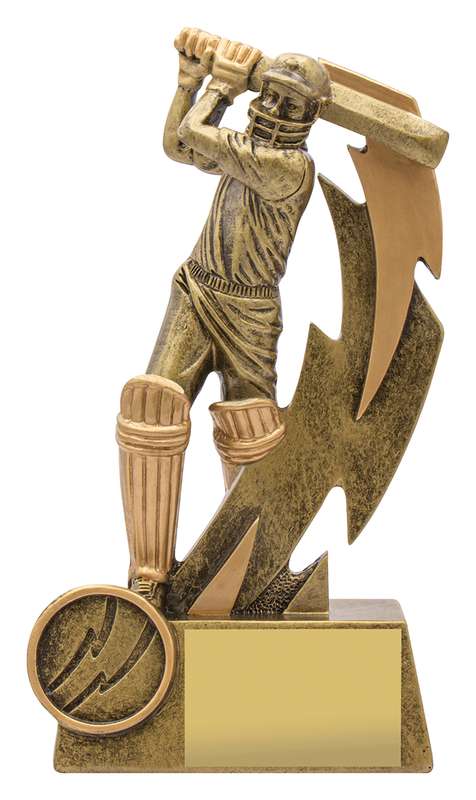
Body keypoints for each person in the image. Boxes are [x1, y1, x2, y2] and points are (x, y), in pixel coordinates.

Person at [116, 28, 332, 604]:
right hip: (197, 290)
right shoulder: (246, 151)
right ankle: (149, 575)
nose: (274, 110)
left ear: (311, 117)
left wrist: (222, 87)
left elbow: (196, 134)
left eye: (291, 104)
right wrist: (189, 84)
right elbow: (179, 145)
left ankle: (257, 572)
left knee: (251, 432)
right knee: (152, 406)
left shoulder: (288, 167)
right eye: (271, 95)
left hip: (250, 313)